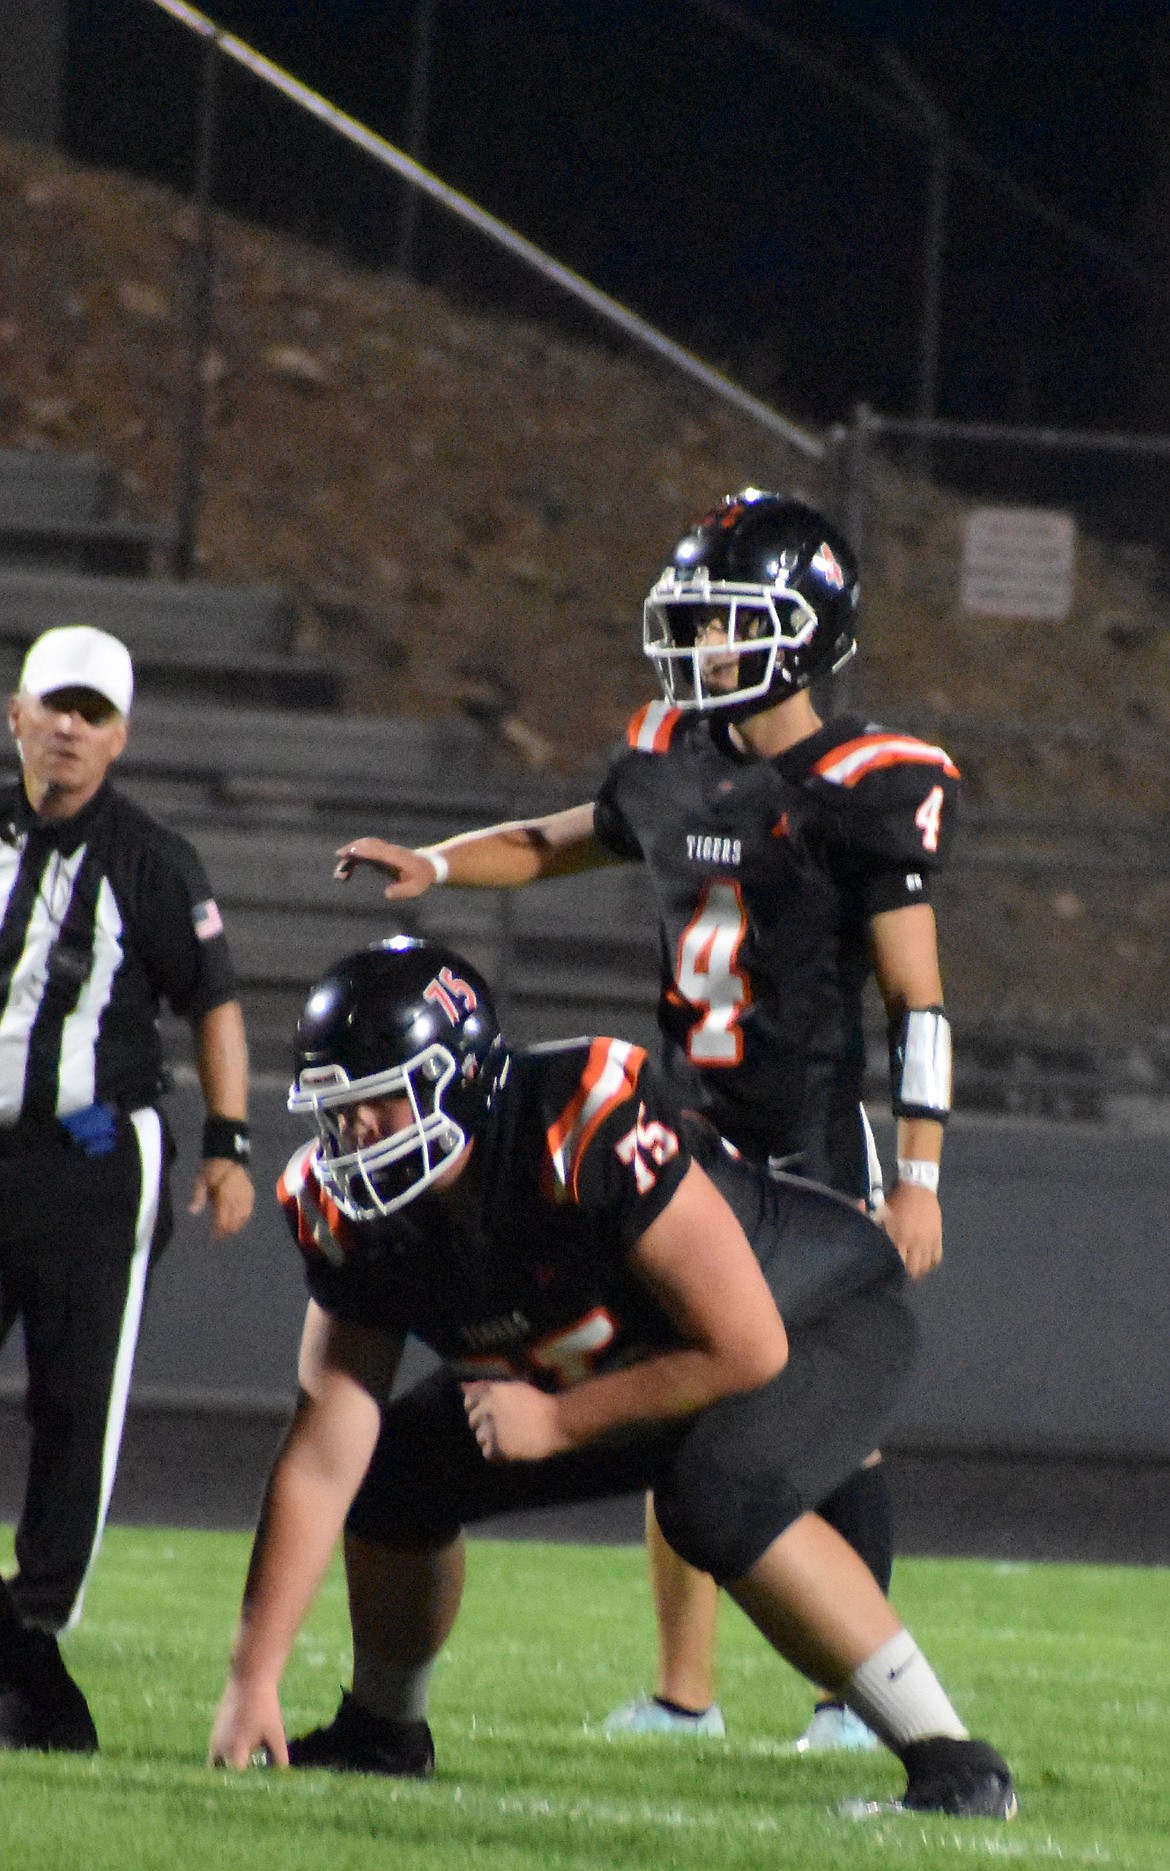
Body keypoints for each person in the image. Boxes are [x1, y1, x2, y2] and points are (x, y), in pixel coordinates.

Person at [330, 489, 959, 1751]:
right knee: (673, 1388)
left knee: (828, 1438)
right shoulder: (671, 753)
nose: (705, 646)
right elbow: (555, 837)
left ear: (804, 630)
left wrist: (925, 1166)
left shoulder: (863, 782)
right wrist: (439, 866)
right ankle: (685, 1692)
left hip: (808, 1143)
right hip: (680, 1135)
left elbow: (919, 995)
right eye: (699, 620)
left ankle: (852, 1697)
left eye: (732, 621)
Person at [207, 935, 1013, 1821]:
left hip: (811, 1320)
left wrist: (556, 1423)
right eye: (337, 1112)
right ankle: (382, 1732)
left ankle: (956, 1765)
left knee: (714, 1497)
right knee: (392, 1474)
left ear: (462, 1078)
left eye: (378, 1106)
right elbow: (325, 1445)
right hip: (606, 1357)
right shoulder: (344, 1209)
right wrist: (254, 1676)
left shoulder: (581, 1115)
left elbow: (745, 1347)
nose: (354, 1137)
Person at [0, 624, 255, 1754]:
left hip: (94, 1157)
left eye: (93, 712)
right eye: (55, 703)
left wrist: (231, 1141)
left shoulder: (151, 859)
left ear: (121, 737)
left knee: (76, 1395)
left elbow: (215, 1001)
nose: (69, 725)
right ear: (16, 711)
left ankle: (33, 1629)